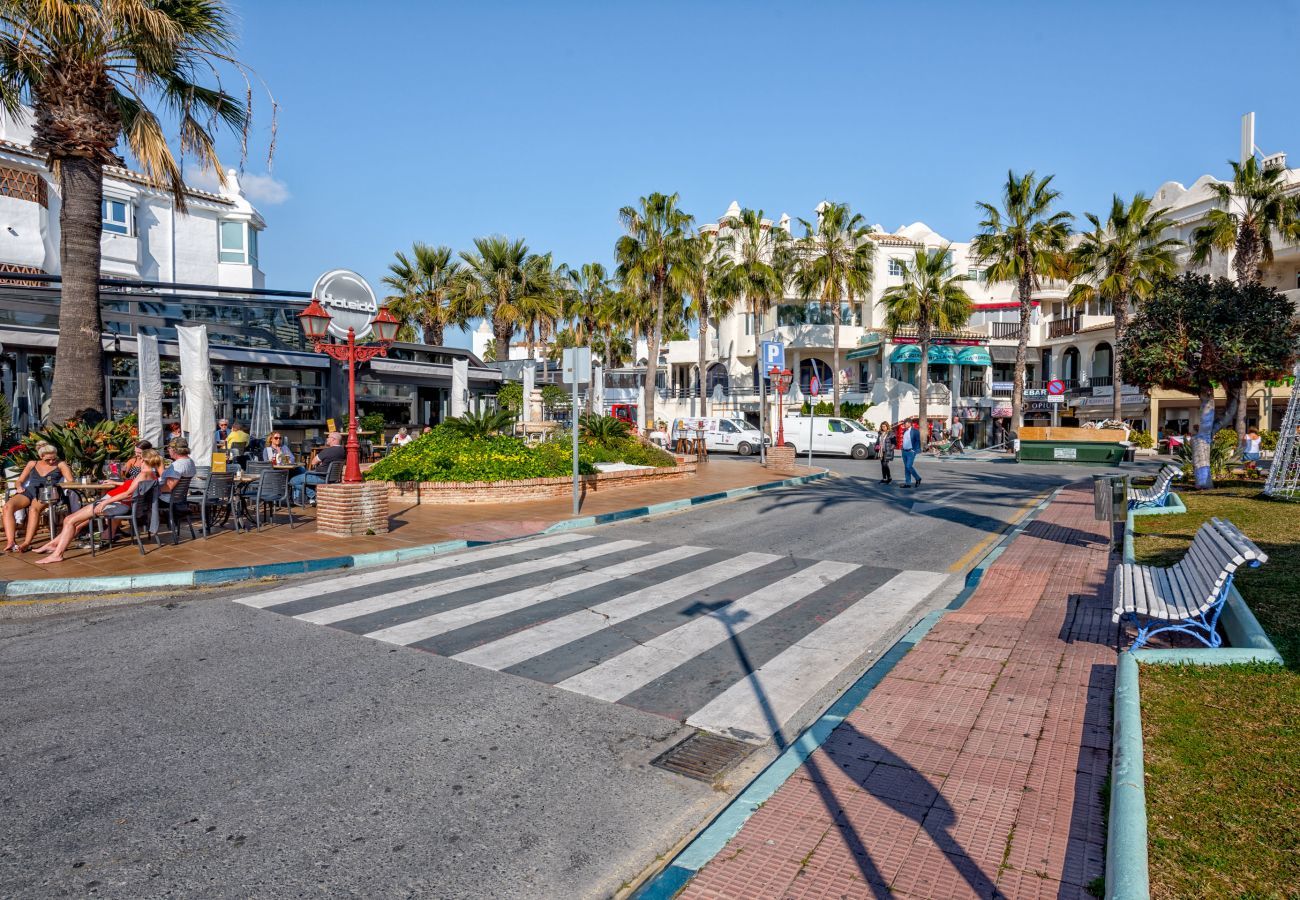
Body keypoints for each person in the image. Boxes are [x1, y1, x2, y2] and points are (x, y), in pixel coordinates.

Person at [35, 449, 163, 564]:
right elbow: (131, 488)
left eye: (139, 458)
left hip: (116, 504)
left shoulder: (143, 474)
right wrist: (114, 484)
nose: (136, 460)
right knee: (77, 523)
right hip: (119, 503)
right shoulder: (152, 475)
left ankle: (57, 554)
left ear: (142, 460)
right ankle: (54, 545)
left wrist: (104, 502)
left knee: (69, 520)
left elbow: (128, 493)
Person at [4, 442, 74, 553]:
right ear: (41, 456)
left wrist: (58, 486)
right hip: (30, 491)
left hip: (47, 492)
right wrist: (18, 487)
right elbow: (20, 481)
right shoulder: (32, 463)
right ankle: (11, 542)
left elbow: (70, 481)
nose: (51, 462)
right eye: (48, 460)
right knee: (8, 507)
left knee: (33, 509)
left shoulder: (60, 464)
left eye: (53, 458)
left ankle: (27, 543)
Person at [291, 432, 345, 504]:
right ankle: (312, 498)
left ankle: (313, 496)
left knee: (293, 481)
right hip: (332, 477)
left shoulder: (327, 451)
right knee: (304, 473)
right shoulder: (342, 451)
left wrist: (321, 462)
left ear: (333, 439)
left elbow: (313, 462)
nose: (327, 439)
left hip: (320, 476)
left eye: (328, 437)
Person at [900, 417, 923, 488]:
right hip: (904, 451)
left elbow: (918, 441)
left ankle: (918, 478)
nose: (904, 425)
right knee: (906, 468)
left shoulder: (915, 431)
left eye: (905, 423)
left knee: (908, 466)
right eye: (904, 423)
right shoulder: (904, 431)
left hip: (911, 452)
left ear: (910, 423)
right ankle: (908, 483)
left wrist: (915, 451)